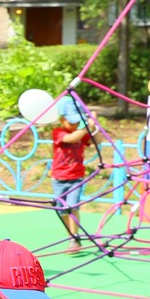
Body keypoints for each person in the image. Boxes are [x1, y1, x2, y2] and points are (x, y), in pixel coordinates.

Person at [49, 97, 96, 254]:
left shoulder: (81, 133)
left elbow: (97, 141)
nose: (75, 125)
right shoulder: (58, 132)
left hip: (76, 177)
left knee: (72, 207)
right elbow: (71, 138)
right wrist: (86, 127)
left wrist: (94, 126)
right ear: (62, 119)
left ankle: (74, 238)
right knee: (61, 210)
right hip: (59, 178)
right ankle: (71, 234)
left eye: (78, 121)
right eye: (71, 121)